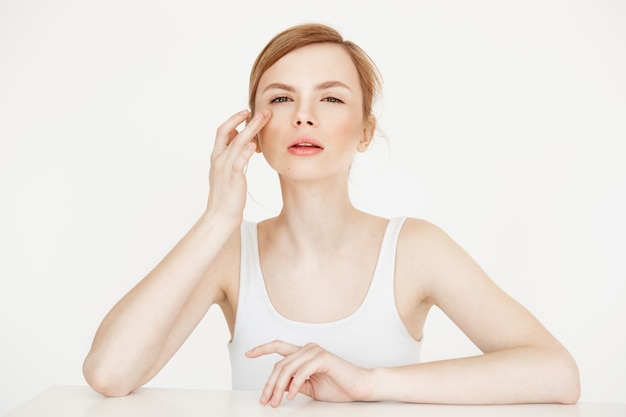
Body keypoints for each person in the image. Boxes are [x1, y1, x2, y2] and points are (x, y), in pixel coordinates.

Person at [82, 23, 580, 407]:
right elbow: (108, 374)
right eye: (281, 98)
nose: (304, 115)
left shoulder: (416, 250)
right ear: (253, 131)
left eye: (331, 98)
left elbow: (558, 374)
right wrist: (216, 219)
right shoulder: (230, 253)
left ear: (365, 131)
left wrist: (366, 383)